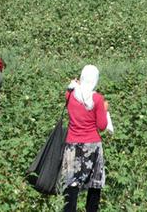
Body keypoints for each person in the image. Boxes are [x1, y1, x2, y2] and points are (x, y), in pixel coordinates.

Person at [60, 65, 108, 212]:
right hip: (92, 145)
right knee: (94, 183)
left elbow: (70, 88)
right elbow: (102, 125)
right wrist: (105, 109)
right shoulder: (97, 99)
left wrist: (73, 84)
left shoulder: (70, 95)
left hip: (72, 144)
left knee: (71, 183)